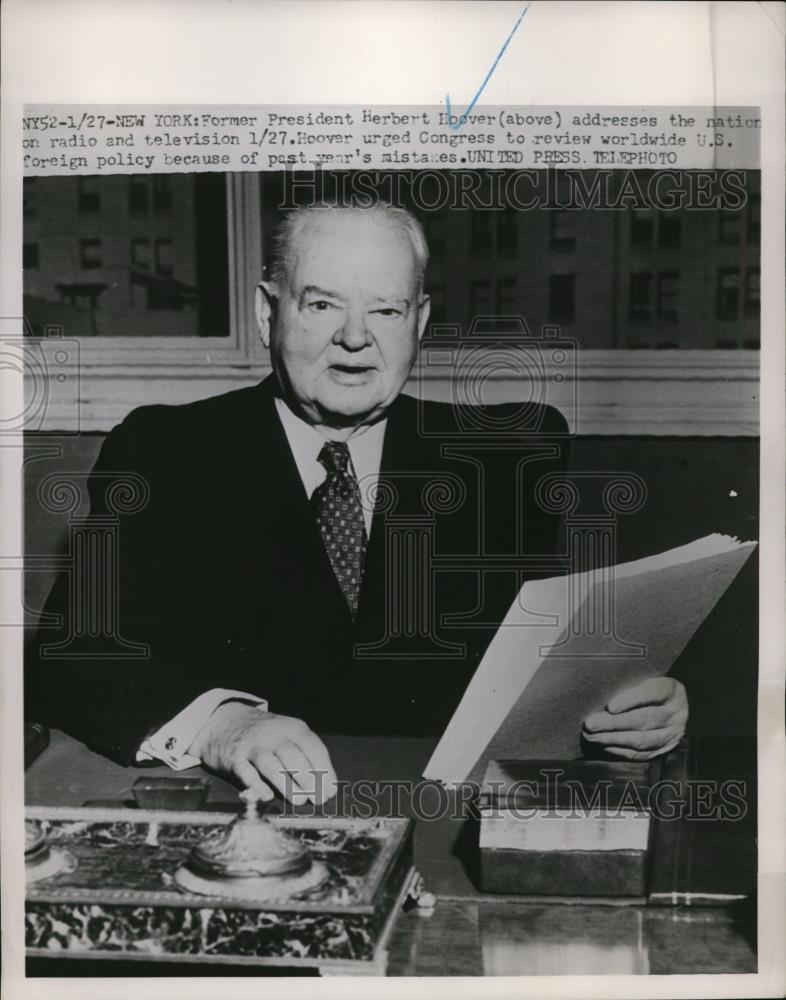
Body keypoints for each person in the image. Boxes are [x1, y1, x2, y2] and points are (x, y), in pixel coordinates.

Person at [28, 203, 688, 804]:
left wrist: (633, 707)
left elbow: (545, 667)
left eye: (385, 310)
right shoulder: (163, 451)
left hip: (441, 823)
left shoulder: (504, 458)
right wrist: (222, 725)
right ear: (267, 313)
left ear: (419, 322)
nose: (354, 337)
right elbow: (78, 652)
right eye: (321, 305)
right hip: (244, 825)